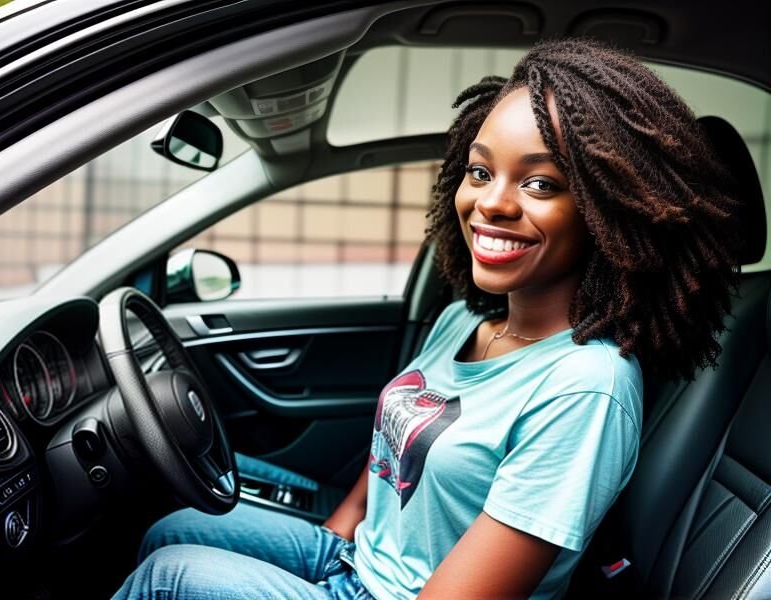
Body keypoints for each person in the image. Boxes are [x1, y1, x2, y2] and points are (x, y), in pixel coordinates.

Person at [113, 38, 740, 599]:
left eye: (541, 184)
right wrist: (330, 547)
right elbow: (395, 448)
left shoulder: (586, 386)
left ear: (609, 213)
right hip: (355, 562)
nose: (491, 202)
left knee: (172, 577)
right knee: (172, 530)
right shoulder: (464, 321)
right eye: (480, 170)